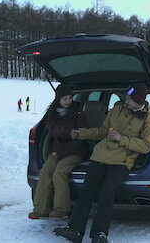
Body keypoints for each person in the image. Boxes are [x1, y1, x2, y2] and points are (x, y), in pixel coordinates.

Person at [53, 83, 150, 243]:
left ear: (139, 101)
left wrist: (122, 139)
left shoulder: (149, 121)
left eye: (129, 99)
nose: (126, 101)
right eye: (126, 98)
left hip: (121, 162)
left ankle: (99, 234)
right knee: (86, 193)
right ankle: (75, 230)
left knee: (106, 194)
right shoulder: (117, 110)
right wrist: (81, 133)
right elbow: (102, 131)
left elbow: (146, 146)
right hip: (99, 156)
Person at [28, 84, 88, 220]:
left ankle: (61, 209)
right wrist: (68, 132)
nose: (68, 101)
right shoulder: (52, 114)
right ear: (58, 100)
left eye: (70, 98)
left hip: (76, 150)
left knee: (59, 172)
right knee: (45, 171)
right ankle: (40, 210)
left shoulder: (79, 113)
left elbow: (82, 134)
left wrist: (68, 134)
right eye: (65, 99)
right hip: (58, 151)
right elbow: (53, 130)